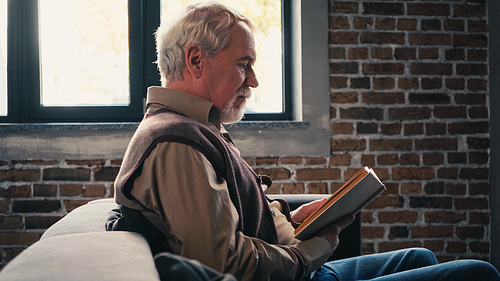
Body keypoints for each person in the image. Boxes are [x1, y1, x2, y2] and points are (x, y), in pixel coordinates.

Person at [107, 1, 500, 280]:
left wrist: (292, 219)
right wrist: (310, 251)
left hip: (296, 266)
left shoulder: (194, 128)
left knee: (421, 256)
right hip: (298, 274)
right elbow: (221, 263)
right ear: (195, 60)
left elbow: (231, 218)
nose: (254, 81)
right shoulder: (176, 143)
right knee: (477, 272)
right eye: (244, 65)